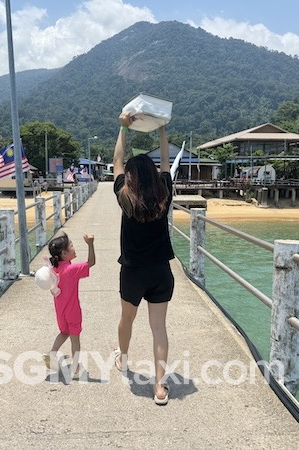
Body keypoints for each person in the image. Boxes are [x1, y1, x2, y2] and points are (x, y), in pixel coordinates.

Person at [112, 111, 175, 405]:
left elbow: (116, 162)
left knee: (127, 320)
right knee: (159, 328)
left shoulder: (125, 197)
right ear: (152, 173)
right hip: (161, 272)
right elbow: (165, 161)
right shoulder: (164, 193)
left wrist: (123, 128)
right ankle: (160, 387)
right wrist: (162, 130)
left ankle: (123, 360)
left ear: (131, 176)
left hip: (133, 272)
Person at [43, 232, 95, 380]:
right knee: (75, 340)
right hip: (73, 311)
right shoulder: (71, 270)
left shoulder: (54, 268)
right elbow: (91, 262)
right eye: (71, 246)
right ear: (65, 253)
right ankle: (75, 366)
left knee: (64, 332)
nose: (74, 247)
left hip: (60, 310)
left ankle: (53, 353)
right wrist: (90, 244)